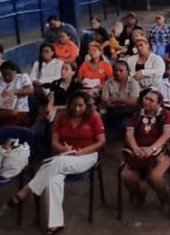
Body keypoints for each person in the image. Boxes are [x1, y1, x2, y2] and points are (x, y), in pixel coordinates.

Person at [9, 91, 105, 235]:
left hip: (87, 155)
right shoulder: (62, 118)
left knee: (56, 162)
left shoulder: (94, 118)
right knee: (52, 180)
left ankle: (26, 190)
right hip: (65, 155)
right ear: (69, 105)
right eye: (74, 105)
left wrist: (82, 151)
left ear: (86, 106)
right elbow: (54, 142)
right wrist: (62, 148)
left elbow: (101, 141)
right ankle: (55, 224)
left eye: (80, 105)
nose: (77, 108)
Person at [121, 90, 170, 215]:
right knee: (126, 176)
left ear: (159, 103)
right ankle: (140, 193)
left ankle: (164, 197)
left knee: (154, 178)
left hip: (161, 152)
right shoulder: (137, 115)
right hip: (138, 152)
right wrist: (135, 148)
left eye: (151, 100)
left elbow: (166, 135)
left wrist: (152, 149)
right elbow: (129, 134)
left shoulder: (166, 115)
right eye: (146, 98)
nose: (147, 102)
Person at [0, 61, 33, 133]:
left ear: (15, 71)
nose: (6, 77)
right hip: (0, 110)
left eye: (9, 75)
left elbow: (30, 90)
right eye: (4, 75)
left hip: (19, 110)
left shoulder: (22, 77)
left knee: (9, 124)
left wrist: (13, 91)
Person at [100, 60, 140, 136]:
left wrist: (116, 99)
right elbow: (105, 101)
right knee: (100, 125)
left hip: (128, 113)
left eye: (121, 71)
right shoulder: (109, 82)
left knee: (124, 127)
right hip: (111, 112)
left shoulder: (133, 82)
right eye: (116, 70)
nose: (118, 73)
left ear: (128, 71)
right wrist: (125, 101)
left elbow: (133, 102)